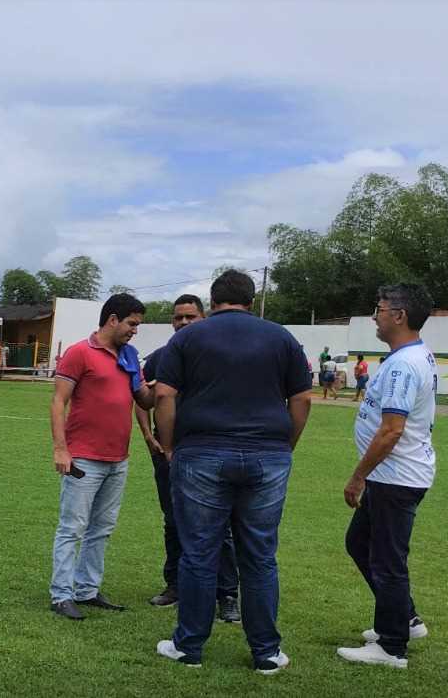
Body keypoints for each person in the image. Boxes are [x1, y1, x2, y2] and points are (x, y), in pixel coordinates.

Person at [152, 270, 312, 673]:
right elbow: (302, 399)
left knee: (199, 554)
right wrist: (284, 445)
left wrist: (170, 445)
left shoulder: (187, 337)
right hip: (268, 455)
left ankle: (188, 647)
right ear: (251, 298)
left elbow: (165, 396)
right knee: (259, 556)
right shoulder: (282, 338)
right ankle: (267, 653)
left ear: (214, 299)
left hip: (202, 451)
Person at [338, 284, 439, 669]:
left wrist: (358, 476)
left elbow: (391, 430)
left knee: (386, 560)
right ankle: (406, 619)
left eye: (378, 309)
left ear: (399, 316)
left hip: (395, 477)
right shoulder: (411, 355)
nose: (374, 316)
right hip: (396, 475)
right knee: (359, 542)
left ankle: (392, 645)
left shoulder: (403, 363)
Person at [48, 293, 156, 620]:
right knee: (73, 527)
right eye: (132, 324)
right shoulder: (80, 353)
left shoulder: (129, 357)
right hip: (84, 458)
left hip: (117, 459)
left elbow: (145, 400)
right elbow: (58, 402)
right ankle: (61, 595)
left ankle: (87, 589)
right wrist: (60, 448)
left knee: (102, 528)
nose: (135, 331)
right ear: (113, 319)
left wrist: (167, 384)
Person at [134, 295, 240, 622]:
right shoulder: (162, 356)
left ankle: (227, 595)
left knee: (219, 524)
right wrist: (149, 435)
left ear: (204, 317)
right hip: (167, 454)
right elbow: (141, 396)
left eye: (189, 317)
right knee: (173, 519)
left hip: (206, 451)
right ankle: (175, 585)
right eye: (177, 317)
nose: (182, 323)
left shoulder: (216, 355)